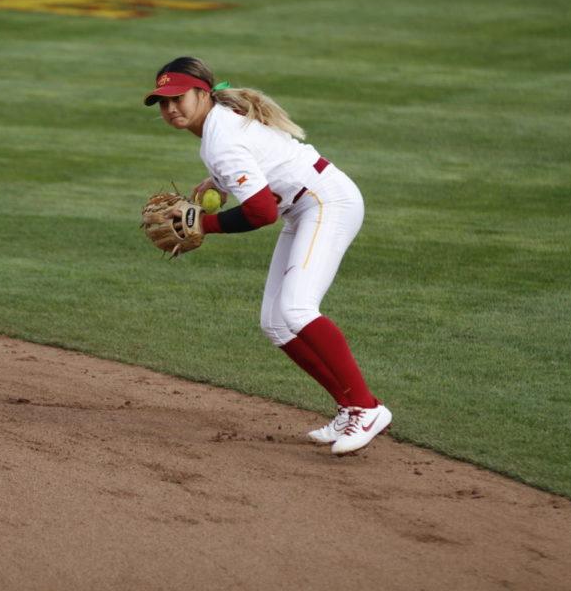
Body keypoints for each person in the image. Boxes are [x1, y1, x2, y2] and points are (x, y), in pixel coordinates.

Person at [144, 57, 391, 455]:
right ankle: (349, 407)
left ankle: (367, 407)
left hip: (326, 202)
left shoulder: (219, 137)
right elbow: (258, 159)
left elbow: (261, 213)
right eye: (162, 102)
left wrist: (204, 225)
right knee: (275, 323)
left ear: (202, 93)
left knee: (297, 309)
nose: (171, 109)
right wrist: (219, 180)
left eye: (178, 98)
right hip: (305, 206)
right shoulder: (218, 122)